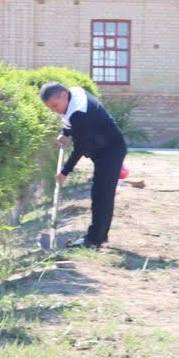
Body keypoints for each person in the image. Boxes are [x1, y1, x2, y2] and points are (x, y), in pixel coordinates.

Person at [40, 81, 128, 249]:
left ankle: (94, 240)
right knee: (101, 194)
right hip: (102, 147)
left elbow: (81, 147)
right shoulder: (74, 93)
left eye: (55, 105)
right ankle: (99, 236)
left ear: (64, 95)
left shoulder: (78, 112)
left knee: (101, 196)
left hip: (110, 151)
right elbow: (69, 121)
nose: (55, 110)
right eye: (51, 108)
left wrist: (65, 171)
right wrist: (65, 132)